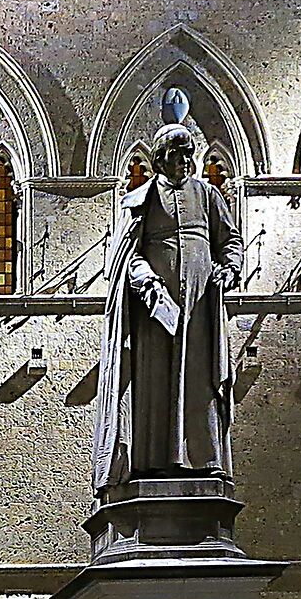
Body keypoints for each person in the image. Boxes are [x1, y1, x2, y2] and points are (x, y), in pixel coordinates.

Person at [91, 123, 242, 494]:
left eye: (190, 153)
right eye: (178, 154)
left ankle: (205, 462)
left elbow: (230, 239)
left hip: (201, 305)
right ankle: (153, 463)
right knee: (154, 382)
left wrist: (230, 267)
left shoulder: (208, 195)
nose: (187, 161)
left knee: (200, 379)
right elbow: (128, 255)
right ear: (160, 159)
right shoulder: (141, 200)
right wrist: (149, 285)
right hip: (155, 311)